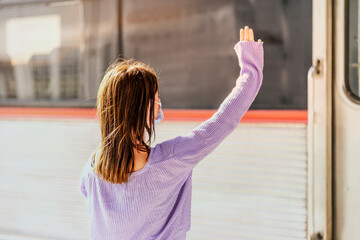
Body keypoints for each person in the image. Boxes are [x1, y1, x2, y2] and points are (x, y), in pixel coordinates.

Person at [79, 26, 263, 240]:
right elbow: (225, 119)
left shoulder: (92, 170)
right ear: (145, 109)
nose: (160, 105)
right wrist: (251, 69)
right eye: (156, 99)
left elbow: (87, 192)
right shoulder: (172, 160)